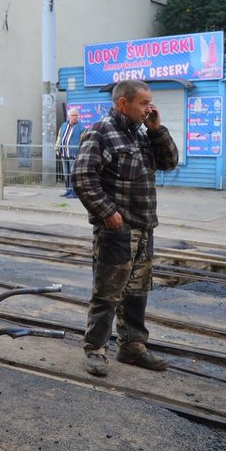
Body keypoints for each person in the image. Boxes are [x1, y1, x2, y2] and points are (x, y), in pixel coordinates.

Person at [71, 80, 178, 377]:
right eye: (144, 103)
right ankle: (95, 349)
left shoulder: (143, 134)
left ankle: (132, 346)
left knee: (137, 291)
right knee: (108, 292)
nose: (149, 108)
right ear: (123, 104)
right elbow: (82, 177)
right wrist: (108, 213)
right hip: (117, 230)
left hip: (144, 227)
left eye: (150, 103)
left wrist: (157, 129)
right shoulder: (101, 132)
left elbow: (170, 162)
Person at [55, 107, 85, 198]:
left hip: (74, 154)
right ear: (69, 116)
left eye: (76, 115)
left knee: (73, 174)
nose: (74, 117)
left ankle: (74, 192)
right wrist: (57, 148)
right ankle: (68, 190)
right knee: (66, 173)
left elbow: (83, 141)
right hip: (64, 154)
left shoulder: (81, 127)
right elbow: (59, 138)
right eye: (73, 115)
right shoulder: (64, 125)